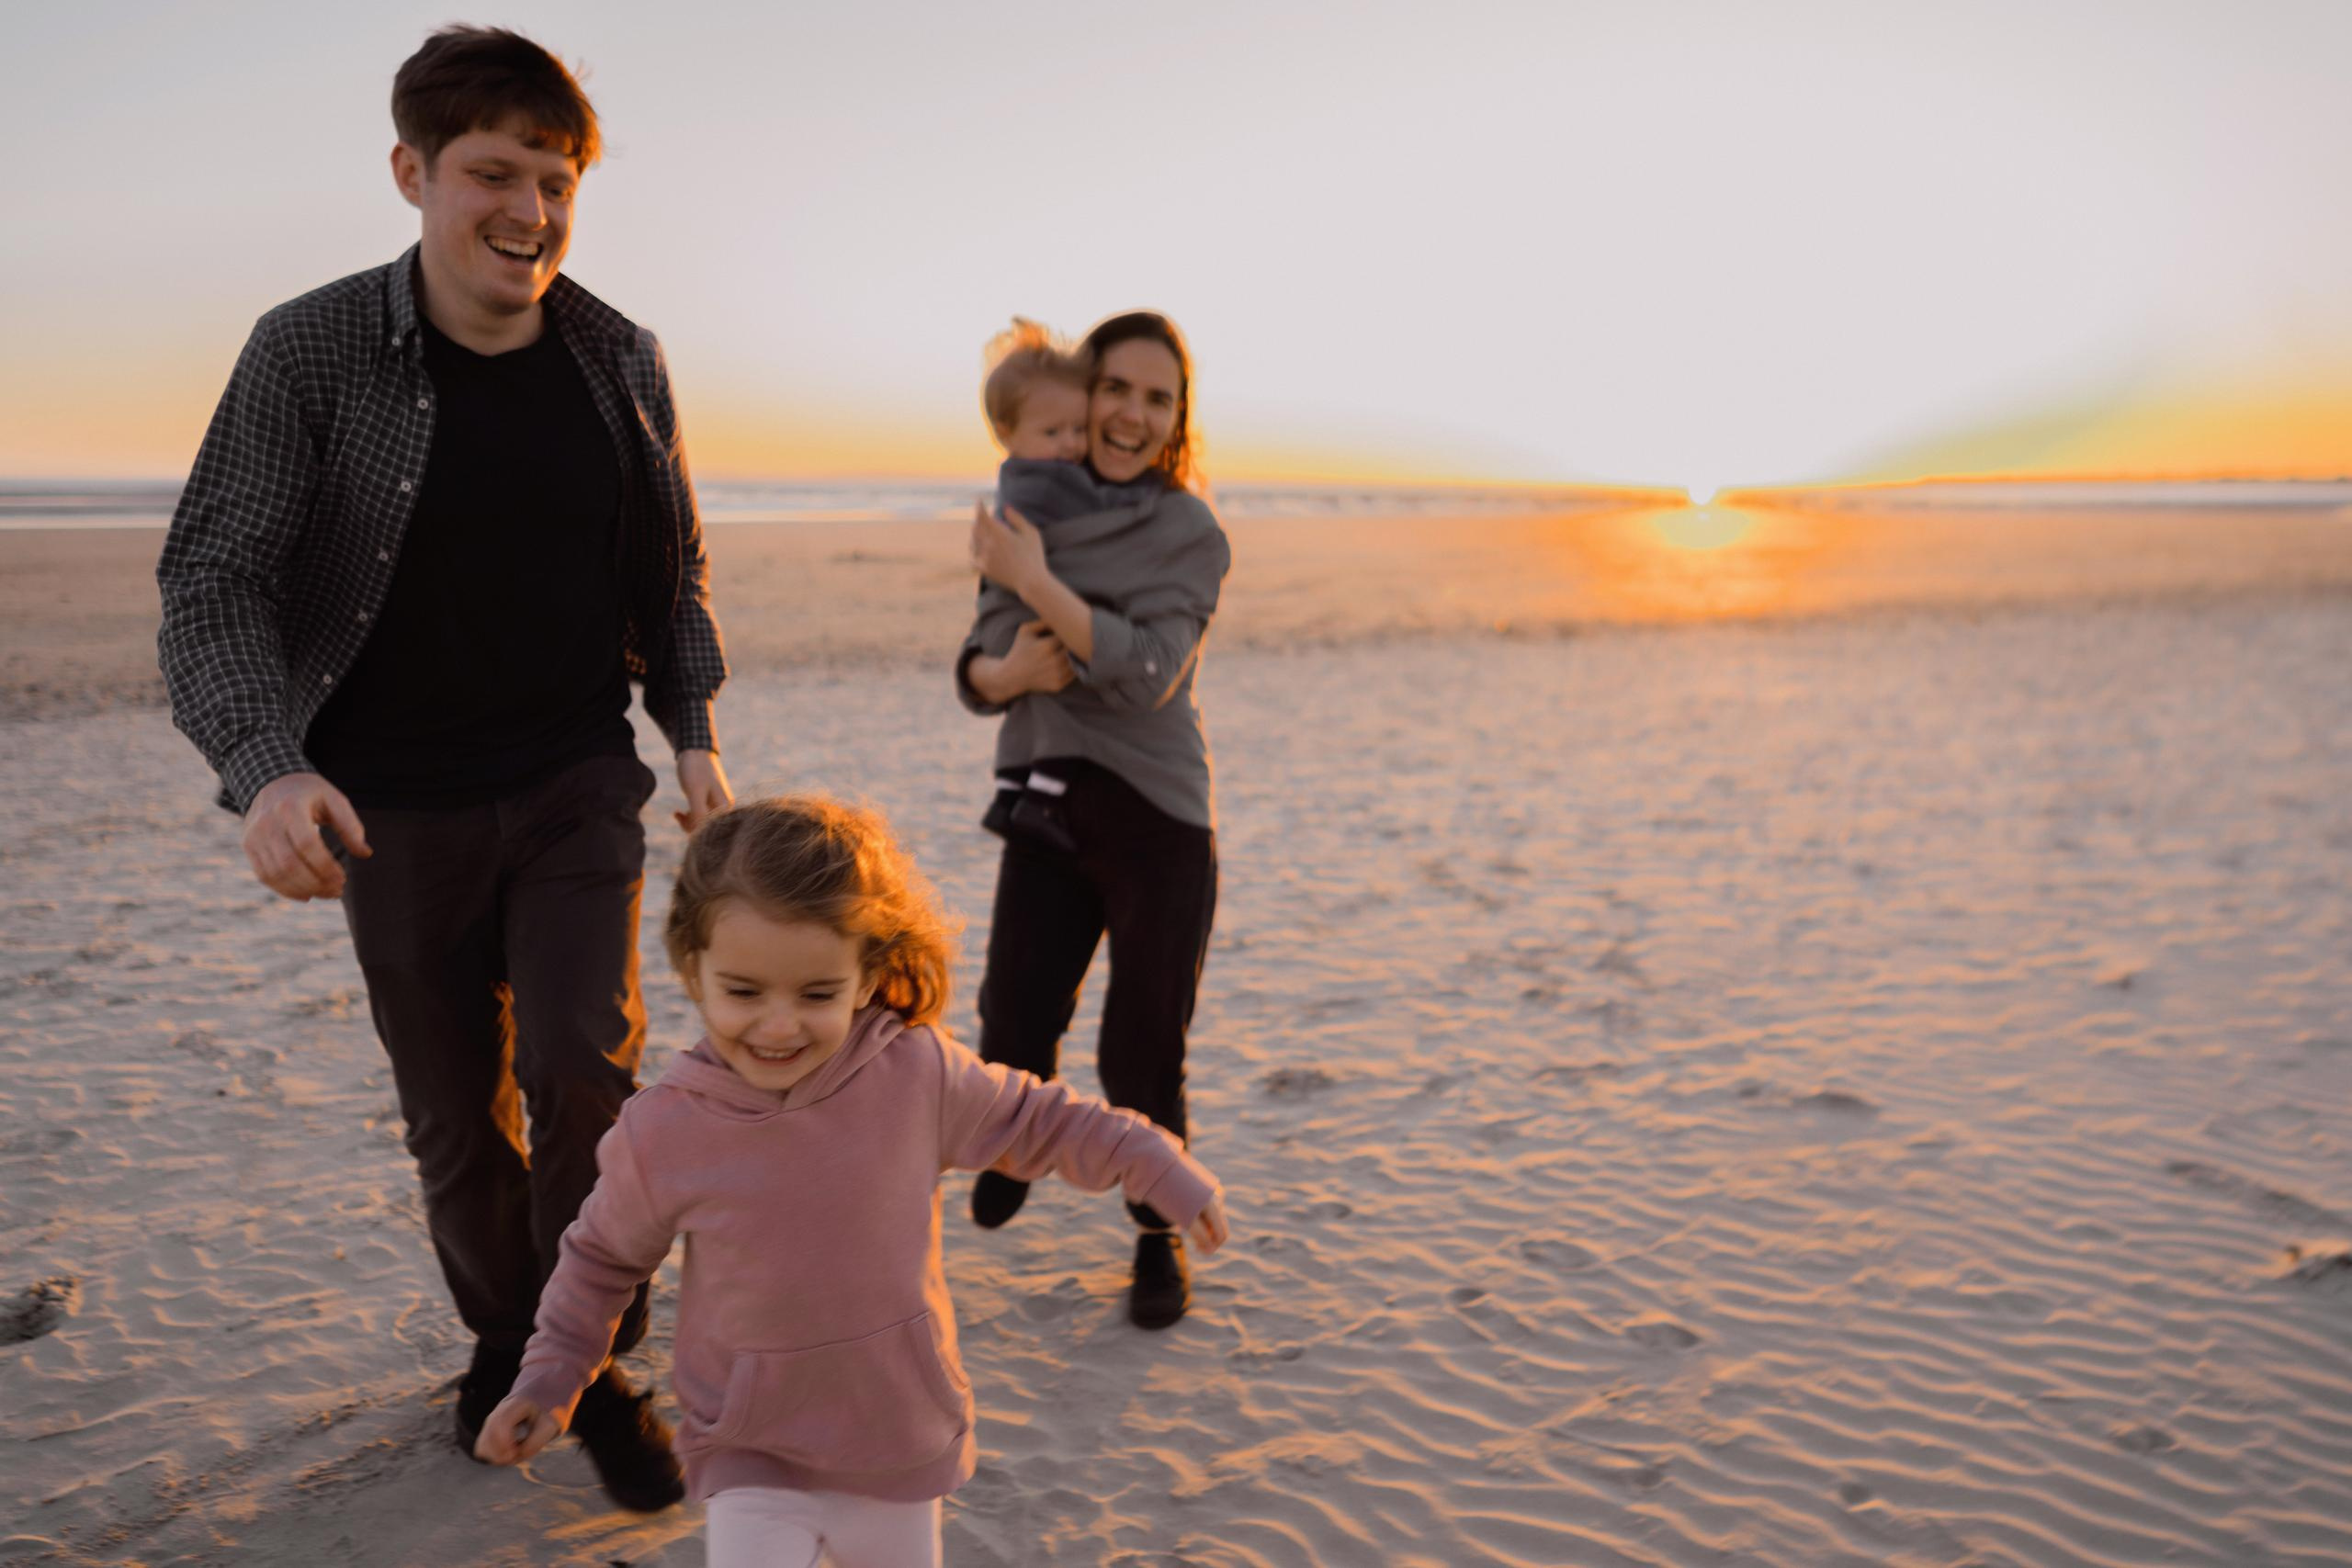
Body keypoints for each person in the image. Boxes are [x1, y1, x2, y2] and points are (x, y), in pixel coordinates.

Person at [153, 25, 729, 1510]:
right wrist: (269, 768)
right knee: (456, 1114)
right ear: (412, 172)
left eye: (555, 178)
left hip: (572, 777)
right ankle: (502, 1336)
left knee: (583, 1073)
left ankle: (592, 1361)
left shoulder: (620, 361)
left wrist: (699, 737)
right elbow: (215, 573)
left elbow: (673, 574)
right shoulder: (313, 348)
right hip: (386, 803)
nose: (528, 209)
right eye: (492, 172)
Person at [472, 797, 1229, 1568]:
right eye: (743, 992)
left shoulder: (915, 1073)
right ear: (691, 969)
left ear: (866, 976)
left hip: (894, 1442)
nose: (777, 1026)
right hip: (749, 1446)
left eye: (816, 994)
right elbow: (602, 1260)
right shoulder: (664, 1131)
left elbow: (1044, 1120)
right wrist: (551, 1378)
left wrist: (1153, 1159)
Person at [956, 310, 1232, 1328]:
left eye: (1157, 400)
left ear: (1176, 419)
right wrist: (1002, 666)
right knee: (1012, 1020)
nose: (1129, 415)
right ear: (1082, 394)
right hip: (1048, 795)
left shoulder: (1190, 533)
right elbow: (984, 653)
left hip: (1158, 814)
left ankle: (1158, 1237)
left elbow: (1148, 675)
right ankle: (1017, 1148)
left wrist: (1039, 586)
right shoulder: (1025, 502)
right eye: (1116, 390)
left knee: (1141, 1050)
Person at [970, 317, 1158, 852]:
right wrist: (1140, 502)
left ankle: (1010, 792)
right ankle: (1041, 798)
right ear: (1007, 434)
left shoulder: (1020, 472)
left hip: (1009, 615)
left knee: (1031, 711)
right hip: (1032, 612)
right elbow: (1099, 509)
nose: (1071, 445)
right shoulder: (1045, 482)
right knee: (1065, 708)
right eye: (1053, 433)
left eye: (1077, 429)